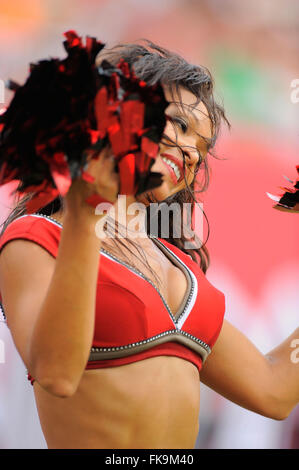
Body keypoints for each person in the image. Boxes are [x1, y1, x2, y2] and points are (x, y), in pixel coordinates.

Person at [0, 41, 298, 450]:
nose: (192, 151)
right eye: (178, 125)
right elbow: (56, 374)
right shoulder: (36, 238)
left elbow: (273, 389)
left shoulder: (178, 263)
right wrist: (88, 212)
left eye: (203, 146)